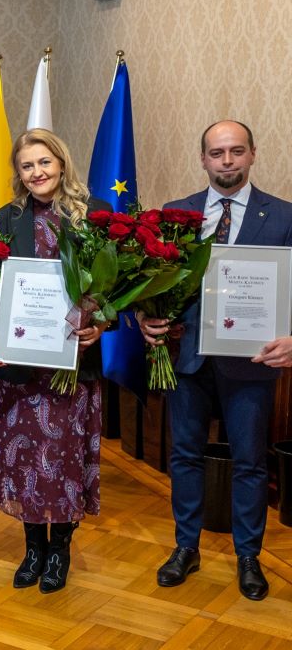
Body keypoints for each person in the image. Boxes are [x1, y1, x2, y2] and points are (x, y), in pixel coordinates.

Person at [139, 120, 292, 602]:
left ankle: (249, 555)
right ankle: (186, 546)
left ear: (252, 155)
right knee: (184, 456)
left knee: (249, 462)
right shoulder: (174, 214)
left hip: (251, 362)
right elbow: (149, 279)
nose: (227, 161)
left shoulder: (284, 216)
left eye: (236, 151)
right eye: (217, 153)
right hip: (185, 358)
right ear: (203, 159)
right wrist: (144, 316)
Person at [0, 129, 110, 594]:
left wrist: (100, 323)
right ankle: (33, 547)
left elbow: (108, 288)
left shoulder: (94, 215)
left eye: (44, 162)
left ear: (62, 162)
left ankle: (61, 550)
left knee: (65, 459)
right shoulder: (6, 217)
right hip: (19, 365)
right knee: (25, 459)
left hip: (70, 365)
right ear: (18, 172)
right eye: (27, 165)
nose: (37, 172)